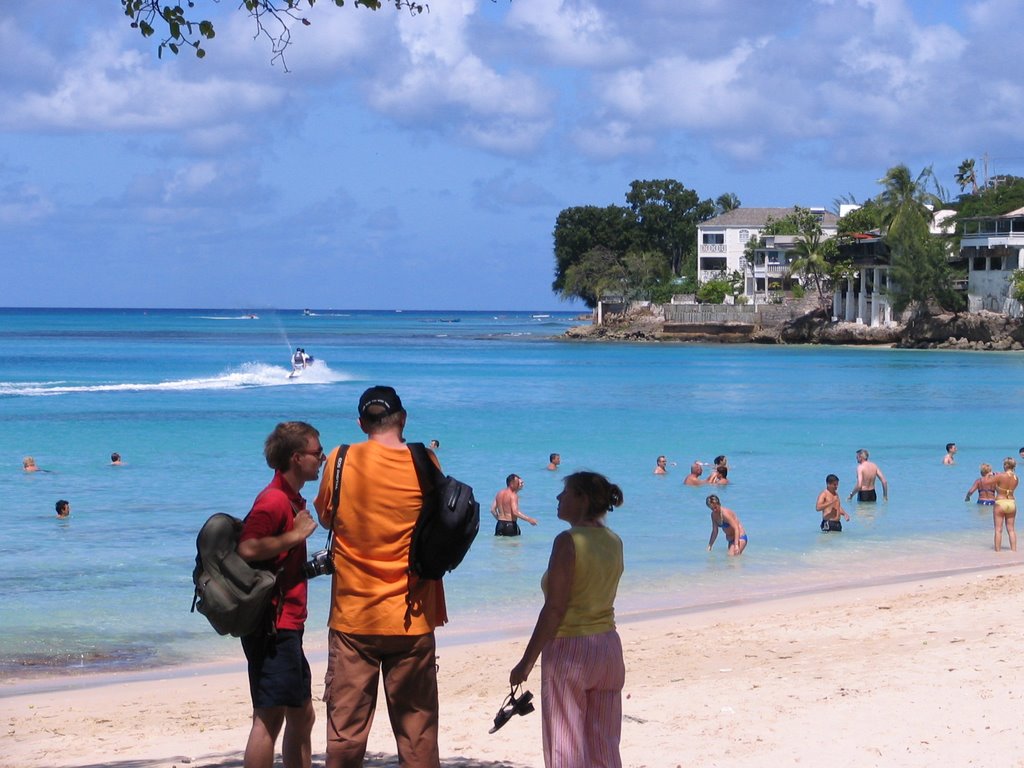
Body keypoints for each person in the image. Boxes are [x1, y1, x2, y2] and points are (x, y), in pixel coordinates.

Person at [314, 385, 447, 768]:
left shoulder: (340, 459)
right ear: (402, 419)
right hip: (414, 615)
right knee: (418, 738)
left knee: (345, 737)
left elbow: (326, 516)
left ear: (361, 424)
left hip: (353, 617)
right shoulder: (426, 460)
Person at [510, 471, 625, 768]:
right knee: (605, 747)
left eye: (565, 493)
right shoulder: (614, 541)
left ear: (582, 499)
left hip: (571, 649)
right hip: (608, 647)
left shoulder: (568, 541)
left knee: (565, 748)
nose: (558, 498)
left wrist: (526, 662)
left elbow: (555, 609)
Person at [236, 421, 322, 768]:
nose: (323, 458)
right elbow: (248, 548)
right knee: (268, 720)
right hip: (272, 625)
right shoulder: (273, 500)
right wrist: (294, 536)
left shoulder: (290, 499)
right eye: (317, 453)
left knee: (303, 716)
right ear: (297, 457)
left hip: (286, 624)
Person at [992, 457, 1019, 552]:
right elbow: (1009, 490)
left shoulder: (1000, 476)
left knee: (998, 529)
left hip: (1001, 502)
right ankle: (1014, 550)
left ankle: (998, 552)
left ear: (1006, 465)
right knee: (1011, 529)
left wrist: (994, 477)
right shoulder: (1016, 478)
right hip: (1011, 503)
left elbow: (994, 487)